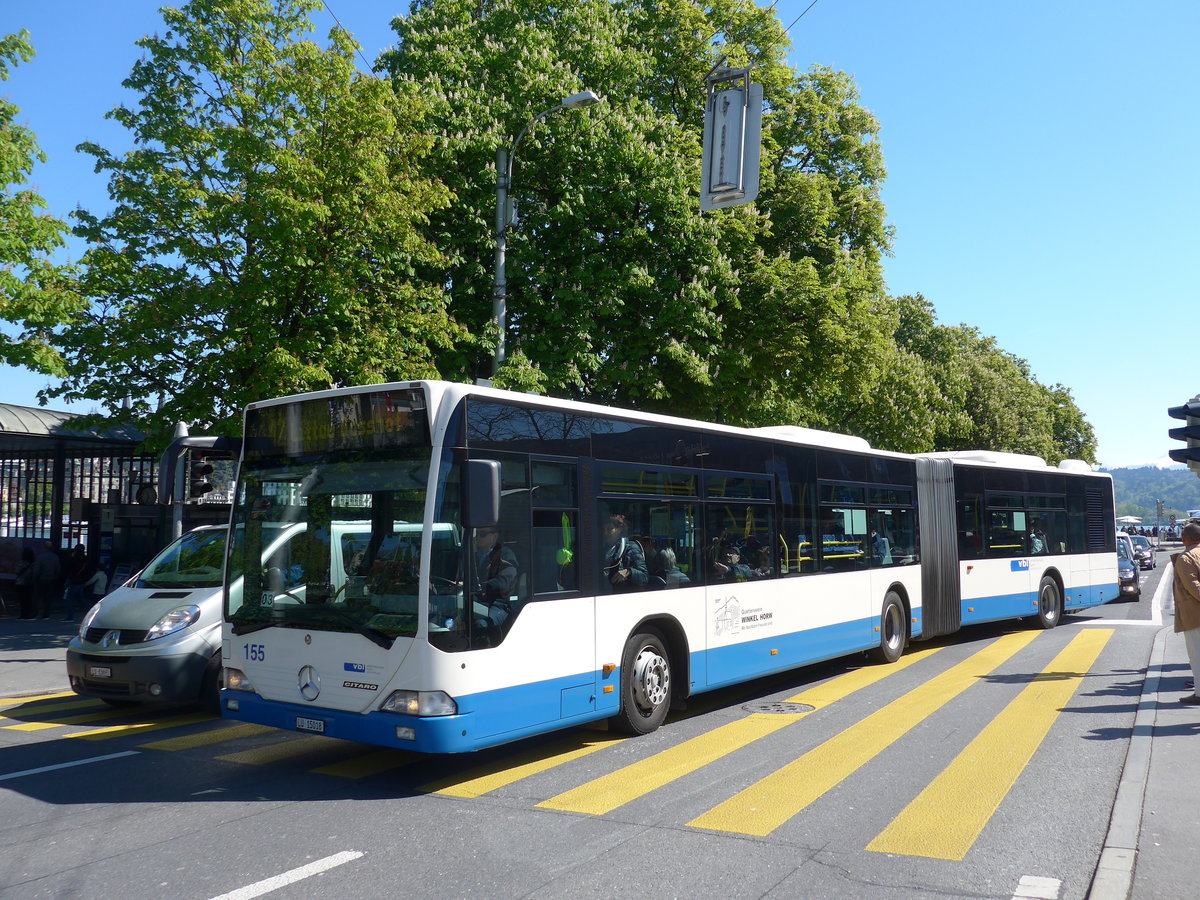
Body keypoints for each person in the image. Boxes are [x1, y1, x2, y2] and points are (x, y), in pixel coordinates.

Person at [1172, 522, 1200, 705]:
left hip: (1194, 615)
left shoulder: (1186, 558)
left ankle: (1199, 693)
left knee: (1196, 655)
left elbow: (1194, 588)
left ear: (1184, 539)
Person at [473, 526, 518, 625]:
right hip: (477, 600)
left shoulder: (505, 555)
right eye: (476, 534)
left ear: (494, 536)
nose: (478, 537)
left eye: (483, 534)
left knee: (481, 623)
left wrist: (483, 587)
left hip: (499, 603)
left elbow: (503, 582)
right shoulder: (474, 555)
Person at [601, 515, 647, 592]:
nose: (605, 533)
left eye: (609, 529)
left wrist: (629, 572)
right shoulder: (601, 548)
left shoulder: (630, 548)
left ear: (620, 530)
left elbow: (644, 577)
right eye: (603, 530)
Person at [30, 540, 63, 620]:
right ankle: (46, 614)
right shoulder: (55, 557)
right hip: (51, 579)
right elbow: (58, 569)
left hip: (41, 579)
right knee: (48, 598)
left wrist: (34, 578)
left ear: (44, 547)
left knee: (37, 597)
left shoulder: (40, 557)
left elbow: (37, 570)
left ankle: (35, 613)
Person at [64, 544, 89, 620]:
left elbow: (69, 567)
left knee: (71, 599)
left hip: (73, 580)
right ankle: (91, 612)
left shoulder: (73, 558)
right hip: (81, 580)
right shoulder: (85, 558)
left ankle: (70, 616)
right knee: (81, 599)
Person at [14, 546, 36, 619]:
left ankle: (22, 614)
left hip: (20, 582)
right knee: (29, 599)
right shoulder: (33, 564)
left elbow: (16, 572)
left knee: (22, 599)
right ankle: (28, 614)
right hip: (30, 583)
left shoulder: (21, 563)